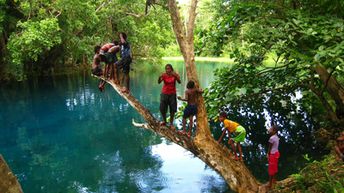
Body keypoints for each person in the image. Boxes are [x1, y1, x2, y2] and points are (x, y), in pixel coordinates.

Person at [158, 64, 181, 128]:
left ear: (171, 69)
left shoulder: (174, 74)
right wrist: (159, 77)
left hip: (172, 94)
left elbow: (179, 82)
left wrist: (176, 76)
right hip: (164, 93)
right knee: (162, 108)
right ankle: (164, 121)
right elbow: (159, 82)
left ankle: (171, 123)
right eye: (166, 69)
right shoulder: (164, 75)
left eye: (169, 69)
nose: (168, 70)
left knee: (172, 109)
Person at [267, 125, 280, 189]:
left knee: (271, 169)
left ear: (274, 131)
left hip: (272, 154)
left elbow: (270, 147)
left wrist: (268, 154)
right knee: (274, 167)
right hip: (277, 153)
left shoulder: (271, 138)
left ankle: (270, 184)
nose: (269, 130)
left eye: (271, 129)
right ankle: (274, 180)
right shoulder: (277, 137)